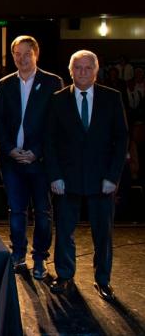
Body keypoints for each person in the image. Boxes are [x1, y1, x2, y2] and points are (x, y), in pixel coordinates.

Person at [45, 50, 128, 301]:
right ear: (70, 71)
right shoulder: (58, 99)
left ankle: (103, 280)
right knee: (64, 232)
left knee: (103, 234)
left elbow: (122, 138)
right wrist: (55, 176)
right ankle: (64, 275)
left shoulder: (112, 98)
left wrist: (113, 177)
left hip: (102, 181)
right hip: (66, 181)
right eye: (77, 68)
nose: (82, 72)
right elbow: (50, 141)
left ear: (96, 70)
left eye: (87, 68)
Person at [0, 36, 64, 278]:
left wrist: (37, 151)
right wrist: (10, 148)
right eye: (17, 54)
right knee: (16, 211)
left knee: (43, 213)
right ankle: (18, 255)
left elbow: (55, 124)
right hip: (11, 160)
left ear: (36, 54)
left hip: (41, 161)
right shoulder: (4, 84)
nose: (22, 58)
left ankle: (40, 258)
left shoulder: (52, 82)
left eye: (27, 53)